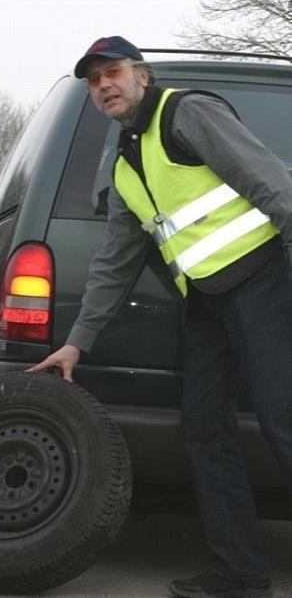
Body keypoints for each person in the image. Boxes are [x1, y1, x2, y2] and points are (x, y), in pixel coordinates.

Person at [29, 35, 292, 598]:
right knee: (204, 434)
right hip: (206, 304)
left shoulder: (187, 112)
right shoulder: (126, 167)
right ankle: (241, 574)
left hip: (263, 283)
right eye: (93, 80)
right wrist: (78, 342)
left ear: (141, 76)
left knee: (284, 423)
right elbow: (113, 264)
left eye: (113, 72)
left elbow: (271, 181)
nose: (103, 85)